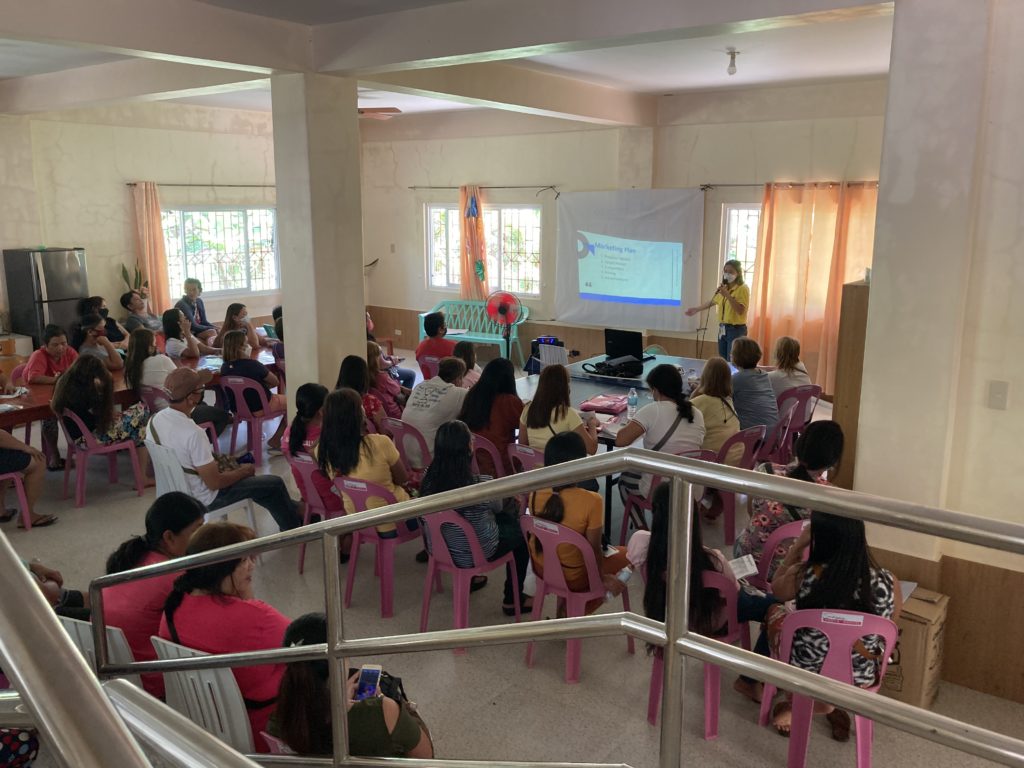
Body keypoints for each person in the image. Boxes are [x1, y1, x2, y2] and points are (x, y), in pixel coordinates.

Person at [767, 512, 902, 739]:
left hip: (804, 672)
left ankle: (807, 704)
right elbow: (889, 626)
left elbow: (775, 590)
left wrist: (798, 545)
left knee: (773, 612)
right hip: (859, 676)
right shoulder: (888, 581)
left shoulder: (802, 574)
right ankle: (830, 705)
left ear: (819, 538)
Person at [638, 484, 777, 703]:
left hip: (670, 617)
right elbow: (733, 592)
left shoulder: (640, 545)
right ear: (693, 518)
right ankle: (750, 680)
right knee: (776, 607)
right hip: (712, 621)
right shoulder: (713, 560)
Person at [158, 522, 291, 752]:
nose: (252, 565)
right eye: (244, 560)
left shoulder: (173, 610)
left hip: (209, 727)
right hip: (266, 729)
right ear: (222, 569)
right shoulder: (256, 618)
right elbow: (311, 640)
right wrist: (248, 601)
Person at [147, 368, 302, 532]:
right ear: (191, 398)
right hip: (203, 499)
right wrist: (244, 471)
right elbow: (215, 483)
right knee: (273, 484)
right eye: (201, 390)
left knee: (261, 486)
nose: (202, 392)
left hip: (175, 492)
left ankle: (297, 509)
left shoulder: (155, 420)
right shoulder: (193, 433)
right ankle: (294, 528)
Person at [270, 613, 434, 758]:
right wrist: (388, 703)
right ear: (338, 663)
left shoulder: (279, 720)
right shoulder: (381, 710)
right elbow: (425, 756)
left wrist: (338, 701)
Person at [420, 421, 530, 616]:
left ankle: (469, 580)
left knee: (462, 523)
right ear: (468, 449)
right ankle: (512, 599)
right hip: (478, 552)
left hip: (438, 549)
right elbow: (497, 508)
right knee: (521, 533)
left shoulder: (428, 477)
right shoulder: (478, 485)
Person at [103, 492, 206, 698]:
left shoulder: (133, 558)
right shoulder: (172, 576)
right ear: (169, 537)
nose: (203, 538)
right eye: (197, 530)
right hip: (154, 686)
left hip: (118, 678)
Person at [526, 431, 630, 615]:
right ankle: (572, 611)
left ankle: (567, 609)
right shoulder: (592, 501)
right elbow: (594, 550)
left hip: (542, 567)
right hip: (574, 576)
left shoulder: (535, 491)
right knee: (631, 554)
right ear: (581, 464)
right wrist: (602, 579)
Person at [733, 421, 844, 581]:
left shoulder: (766, 471)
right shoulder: (831, 497)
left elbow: (752, 510)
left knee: (742, 537)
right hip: (786, 571)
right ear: (832, 462)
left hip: (747, 558)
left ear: (800, 445)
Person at [316, 388, 409, 535]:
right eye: (361, 406)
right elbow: (403, 479)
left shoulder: (322, 449)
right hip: (395, 520)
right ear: (358, 414)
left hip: (357, 520)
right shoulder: (380, 442)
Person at [51, 355, 152, 481]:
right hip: (93, 437)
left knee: (138, 424)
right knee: (143, 411)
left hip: (77, 437)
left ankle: (141, 470)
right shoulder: (87, 390)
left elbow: (92, 414)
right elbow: (103, 416)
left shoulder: (65, 383)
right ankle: (142, 475)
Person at [615, 364, 706, 498]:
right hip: (692, 488)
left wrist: (634, 424)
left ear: (656, 390)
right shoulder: (696, 413)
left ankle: (642, 520)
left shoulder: (653, 410)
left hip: (661, 488)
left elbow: (620, 440)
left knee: (625, 479)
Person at [124, 328, 232, 437]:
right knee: (223, 416)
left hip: (157, 415)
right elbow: (183, 381)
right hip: (180, 411)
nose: (156, 346)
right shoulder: (161, 360)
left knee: (204, 406)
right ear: (149, 347)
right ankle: (202, 446)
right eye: (154, 343)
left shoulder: (130, 369)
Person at [220, 329, 287, 452]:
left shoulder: (224, 368)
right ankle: (276, 439)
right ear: (240, 348)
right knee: (294, 403)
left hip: (238, 410)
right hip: (263, 406)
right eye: (246, 343)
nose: (249, 346)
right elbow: (275, 381)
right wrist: (261, 384)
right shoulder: (253, 365)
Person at [457, 357, 523, 477]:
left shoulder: (472, 394)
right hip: (501, 466)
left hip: (473, 463)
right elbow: (525, 425)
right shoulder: (509, 402)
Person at [24, 324, 77, 470]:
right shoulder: (39, 355)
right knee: (49, 417)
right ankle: (54, 454)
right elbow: (33, 377)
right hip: (38, 398)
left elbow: (80, 370)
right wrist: (61, 379)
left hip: (62, 394)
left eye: (64, 343)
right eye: (55, 345)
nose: (61, 348)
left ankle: (79, 447)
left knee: (76, 411)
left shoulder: (70, 352)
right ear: (45, 345)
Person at [519, 363, 599, 455]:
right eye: (568, 383)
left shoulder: (528, 409)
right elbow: (592, 449)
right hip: (559, 468)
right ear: (564, 387)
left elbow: (522, 445)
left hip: (535, 467)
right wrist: (592, 424)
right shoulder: (568, 414)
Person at [685, 259, 750, 360]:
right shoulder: (724, 288)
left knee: (733, 360)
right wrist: (696, 309)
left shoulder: (743, 288)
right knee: (723, 359)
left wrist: (727, 295)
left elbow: (740, 310)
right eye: (725, 271)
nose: (727, 274)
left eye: (731, 272)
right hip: (723, 328)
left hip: (736, 330)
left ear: (738, 273)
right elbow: (713, 301)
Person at [401, 357, 468, 455]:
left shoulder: (420, 385)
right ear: (458, 379)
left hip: (401, 451)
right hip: (427, 459)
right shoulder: (459, 393)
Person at [688, 357, 741, 461]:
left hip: (716, 463)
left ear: (704, 377)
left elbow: (684, 412)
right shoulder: (729, 401)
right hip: (738, 460)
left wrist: (700, 387)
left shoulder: (699, 402)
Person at [0, 428, 53, 528]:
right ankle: (27, 515)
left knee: (9, 450)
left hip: (80, 438)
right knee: (38, 460)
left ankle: (0, 509)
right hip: (82, 439)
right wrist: (25, 447)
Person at [730, 336, 780, 430]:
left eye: (732, 353)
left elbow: (714, 396)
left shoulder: (737, 379)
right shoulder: (764, 375)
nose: (730, 355)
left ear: (737, 357)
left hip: (754, 438)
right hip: (773, 435)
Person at [336, 355, 388, 435]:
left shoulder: (333, 400)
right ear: (364, 377)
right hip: (369, 444)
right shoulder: (370, 402)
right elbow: (385, 430)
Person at [768, 336, 815, 423]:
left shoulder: (772, 377)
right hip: (804, 418)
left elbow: (777, 375)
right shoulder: (802, 369)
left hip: (783, 422)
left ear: (778, 354)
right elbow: (785, 372)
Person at [366, 311, 415, 389]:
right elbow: (382, 364)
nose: (371, 321)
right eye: (369, 318)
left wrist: (389, 358)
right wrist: (393, 361)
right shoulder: (370, 343)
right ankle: (403, 396)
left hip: (380, 369)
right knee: (411, 374)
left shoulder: (367, 339)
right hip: (381, 371)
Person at [367, 340, 408, 418]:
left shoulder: (366, 375)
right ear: (376, 358)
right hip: (396, 415)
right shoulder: (382, 377)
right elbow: (397, 390)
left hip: (385, 413)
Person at [415, 312, 456, 379]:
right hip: (447, 386)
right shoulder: (453, 346)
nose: (446, 326)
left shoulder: (420, 347)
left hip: (428, 384)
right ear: (440, 330)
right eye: (445, 324)